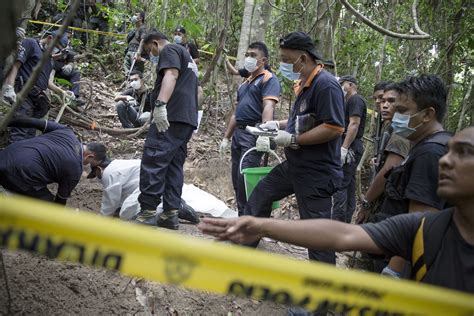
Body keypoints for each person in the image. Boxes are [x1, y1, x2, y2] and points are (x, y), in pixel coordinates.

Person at [199, 127, 474, 294]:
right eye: (448, 151)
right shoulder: (425, 228)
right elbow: (343, 235)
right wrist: (261, 225)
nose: (446, 161)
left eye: (464, 152)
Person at [242, 32, 345, 265]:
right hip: (296, 165)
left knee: (316, 234)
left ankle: (323, 295)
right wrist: (275, 125)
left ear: (302, 58)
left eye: (286, 59)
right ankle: (241, 253)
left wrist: (292, 140)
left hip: (317, 172)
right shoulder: (304, 85)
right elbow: (304, 121)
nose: (283, 64)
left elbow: (334, 128)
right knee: (261, 195)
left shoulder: (325, 85)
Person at [375, 74, 452, 277]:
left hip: (409, 265)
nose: (394, 114)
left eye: (401, 111)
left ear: (427, 114)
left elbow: (421, 222)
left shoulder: (431, 153)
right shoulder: (429, 145)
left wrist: (394, 269)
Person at [135, 31, 199, 229]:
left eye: (149, 50)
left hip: (170, 116)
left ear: (154, 43)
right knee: (173, 165)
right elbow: (198, 90)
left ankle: (147, 213)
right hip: (186, 118)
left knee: (154, 158)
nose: (151, 55)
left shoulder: (170, 49)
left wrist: (161, 105)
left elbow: (171, 75)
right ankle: (170, 213)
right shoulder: (188, 57)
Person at [219, 42, 281, 215]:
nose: (249, 58)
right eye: (247, 54)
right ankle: (242, 218)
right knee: (236, 179)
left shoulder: (269, 79)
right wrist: (226, 137)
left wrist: (264, 133)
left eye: (253, 55)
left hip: (254, 133)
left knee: (246, 177)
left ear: (263, 60)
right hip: (239, 133)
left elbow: (268, 106)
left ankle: (249, 221)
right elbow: (236, 113)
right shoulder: (245, 83)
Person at [0, 118, 106, 205]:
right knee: (48, 204)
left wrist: (5, 121)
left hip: (6, 154)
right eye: (91, 163)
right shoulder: (75, 170)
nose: (87, 165)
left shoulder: (66, 131)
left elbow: (33, 122)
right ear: (90, 156)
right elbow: (61, 199)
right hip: (15, 174)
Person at [2, 30, 70, 143]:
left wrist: (61, 91)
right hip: (24, 93)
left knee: (30, 134)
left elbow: (47, 81)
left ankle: (23, 157)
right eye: (56, 47)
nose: (56, 50)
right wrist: (9, 86)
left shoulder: (49, 58)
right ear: (49, 38)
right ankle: (12, 157)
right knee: (20, 132)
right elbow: (16, 65)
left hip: (37, 99)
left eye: (58, 49)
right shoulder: (31, 44)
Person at [357, 83, 410, 225]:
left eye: (390, 101)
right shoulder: (389, 126)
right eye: (380, 100)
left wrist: (367, 202)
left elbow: (390, 169)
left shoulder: (401, 130)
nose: (382, 104)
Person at [86, 159, 199, 223]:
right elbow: (123, 197)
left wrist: (100, 220)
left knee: (125, 213)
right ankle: (171, 204)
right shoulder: (120, 165)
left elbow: (111, 202)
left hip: (150, 185)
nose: (98, 178)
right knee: (129, 208)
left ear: (99, 169)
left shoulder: (109, 173)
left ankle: (172, 207)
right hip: (159, 182)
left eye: (96, 175)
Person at [332, 75, 367, 223]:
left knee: (340, 185)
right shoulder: (348, 101)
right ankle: (345, 222)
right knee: (349, 185)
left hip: (351, 147)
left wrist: (344, 148)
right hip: (351, 145)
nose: (341, 87)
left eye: (343, 84)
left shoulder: (355, 100)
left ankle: (336, 226)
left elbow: (354, 124)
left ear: (351, 85)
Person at [123, 11, 146, 76]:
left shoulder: (143, 28)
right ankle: (128, 85)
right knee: (127, 74)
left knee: (136, 74)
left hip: (135, 54)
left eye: (136, 15)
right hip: (129, 52)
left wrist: (138, 53)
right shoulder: (134, 29)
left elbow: (143, 39)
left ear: (140, 18)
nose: (134, 16)